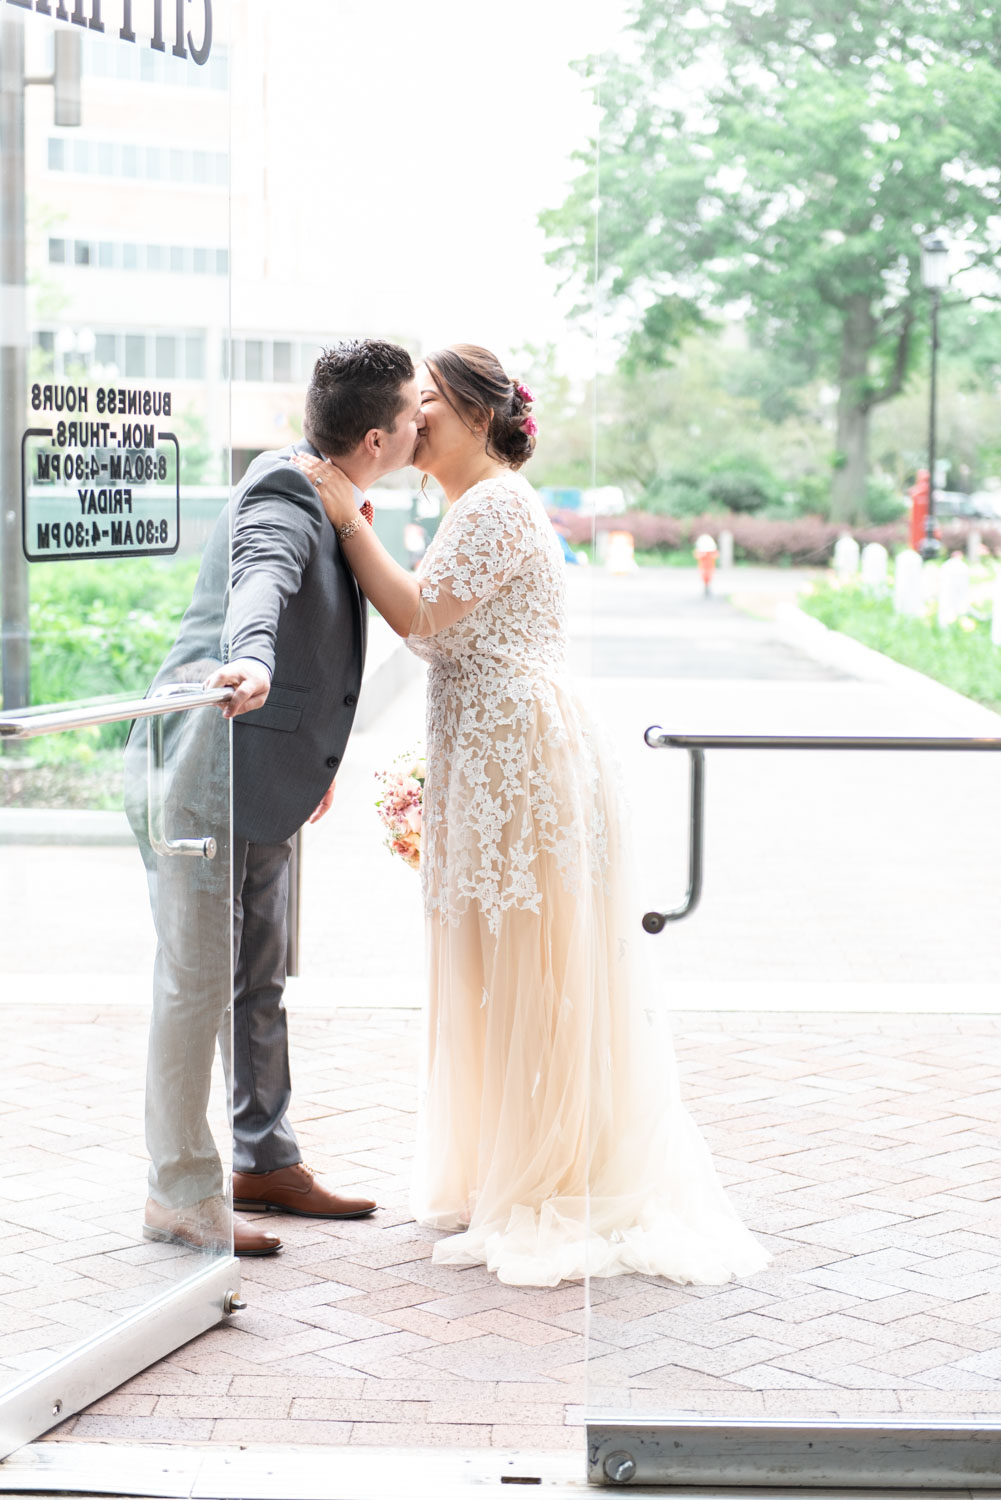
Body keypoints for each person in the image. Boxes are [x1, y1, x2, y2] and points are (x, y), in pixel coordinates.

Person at [292, 344, 769, 1288]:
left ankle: (551, 1182)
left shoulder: (498, 503)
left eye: (427, 399)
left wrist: (350, 522)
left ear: (474, 415)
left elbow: (423, 619)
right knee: (494, 965)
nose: (413, 415)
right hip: (491, 752)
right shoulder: (470, 506)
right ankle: (507, 1170)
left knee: (530, 967)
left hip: (522, 759)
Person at [124, 339, 424, 1256]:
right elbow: (263, 577)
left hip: (262, 772)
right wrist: (248, 658)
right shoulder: (284, 494)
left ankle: (263, 1159)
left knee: (259, 977)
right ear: (376, 437)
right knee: (198, 981)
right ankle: (177, 1190)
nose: (427, 422)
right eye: (416, 413)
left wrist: (306, 759)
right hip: (206, 764)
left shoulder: (324, 487)